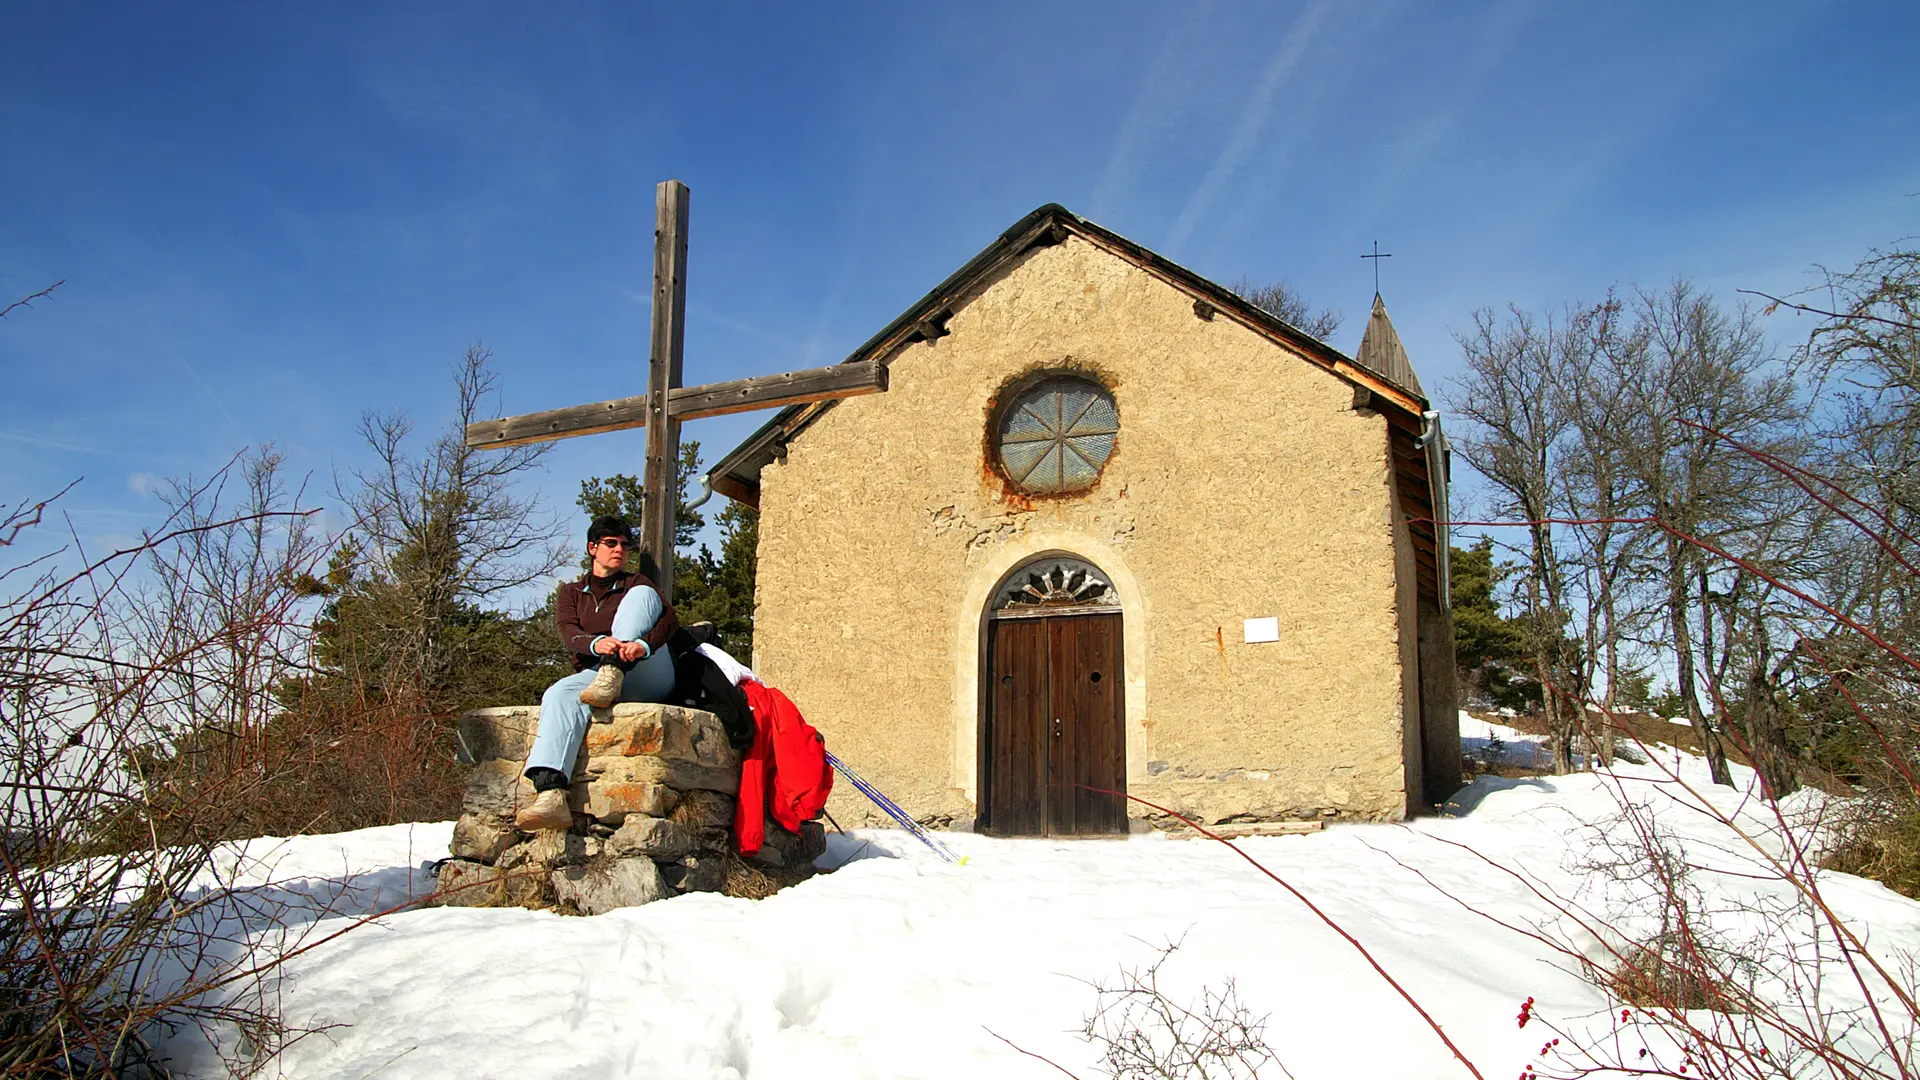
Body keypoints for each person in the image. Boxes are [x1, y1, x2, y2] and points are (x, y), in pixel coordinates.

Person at [515, 515, 680, 831]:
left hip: (647, 670)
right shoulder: (572, 592)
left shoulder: (635, 583)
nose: (619, 550)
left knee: (643, 596)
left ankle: (613, 672)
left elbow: (670, 620)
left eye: (624, 545)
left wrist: (642, 646)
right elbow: (568, 632)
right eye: (611, 543)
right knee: (558, 694)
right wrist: (597, 644)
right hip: (597, 672)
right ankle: (551, 795)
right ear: (593, 548)